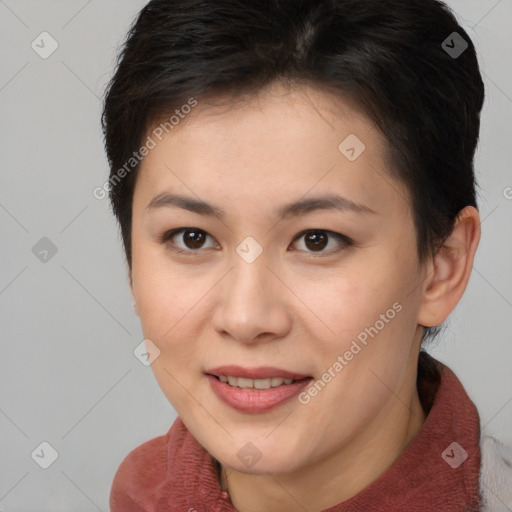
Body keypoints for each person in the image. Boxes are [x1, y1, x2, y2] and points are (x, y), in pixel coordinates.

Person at [101, 0, 512, 510]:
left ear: (441, 268)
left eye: (317, 239)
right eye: (192, 237)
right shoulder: (141, 495)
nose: (246, 317)